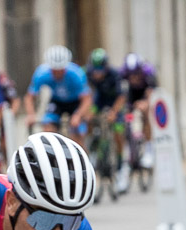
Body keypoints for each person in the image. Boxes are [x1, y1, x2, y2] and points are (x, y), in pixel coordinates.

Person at [24, 45, 92, 147]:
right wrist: (31, 115)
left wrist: (78, 115)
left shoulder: (76, 73)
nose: (58, 73)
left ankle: (81, 158)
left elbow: (86, 99)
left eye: (61, 70)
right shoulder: (41, 73)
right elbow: (29, 97)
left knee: (76, 134)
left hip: (76, 103)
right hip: (57, 102)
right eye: (54, 70)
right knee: (48, 130)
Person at [83, 48, 128, 186]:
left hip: (114, 103)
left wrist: (114, 112)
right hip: (98, 102)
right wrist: (88, 112)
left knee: (118, 132)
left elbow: (121, 97)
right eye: (95, 70)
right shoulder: (86, 73)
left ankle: (121, 167)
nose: (97, 73)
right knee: (89, 120)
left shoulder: (115, 75)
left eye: (100, 69)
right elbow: (86, 94)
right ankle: (93, 148)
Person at [121, 52, 158, 171]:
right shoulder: (123, 73)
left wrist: (146, 103)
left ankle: (148, 148)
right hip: (132, 94)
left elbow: (151, 93)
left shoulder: (148, 71)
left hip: (145, 93)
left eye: (136, 75)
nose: (133, 78)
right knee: (126, 117)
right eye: (130, 76)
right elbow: (122, 95)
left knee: (146, 112)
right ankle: (129, 145)